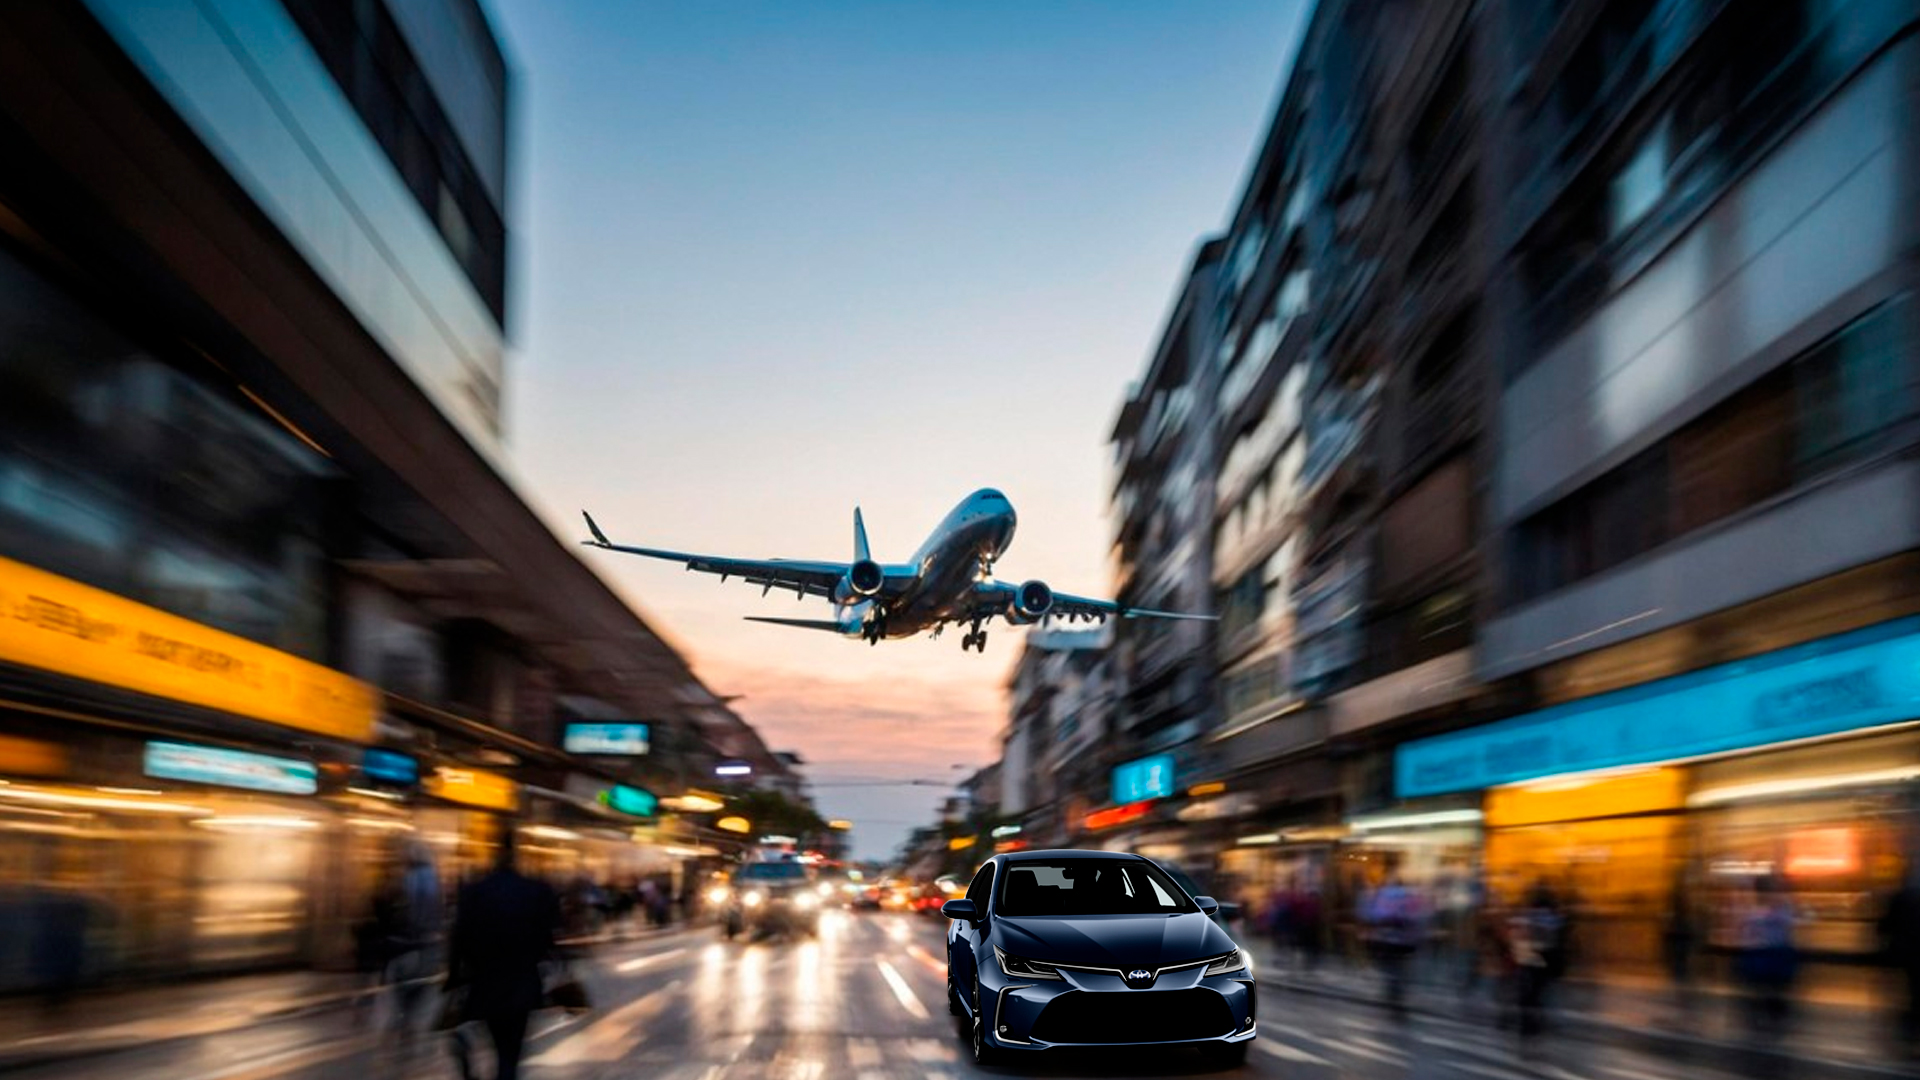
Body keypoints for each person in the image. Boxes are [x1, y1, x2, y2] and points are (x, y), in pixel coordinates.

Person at [447, 831, 562, 1080]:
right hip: (522, 984)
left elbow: (459, 938)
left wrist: (453, 978)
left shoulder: (474, 892)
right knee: (510, 1053)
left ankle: (475, 1070)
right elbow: (548, 938)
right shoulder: (535, 891)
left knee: (495, 1039)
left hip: (485, 983)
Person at [1737, 875, 1798, 1040]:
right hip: (1760, 953)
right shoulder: (1755, 907)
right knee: (1762, 988)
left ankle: (1774, 1018)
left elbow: (1789, 923)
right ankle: (1763, 1018)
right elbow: (1747, 928)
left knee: (1774, 988)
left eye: (1772, 890)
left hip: (1777, 952)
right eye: (1766, 890)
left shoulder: (1783, 906)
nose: (1769, 894)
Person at [1363, 874, 1421, 1017]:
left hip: (1387, 941)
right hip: (1404, 942)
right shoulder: (1408, 896)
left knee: (1391, 971)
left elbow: (1374, 916)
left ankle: (1393, 997)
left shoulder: (1383, 895)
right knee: (1400, 971)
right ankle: (1397, 998)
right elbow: (1415, 918)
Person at [1880, 865, 1920, 1056]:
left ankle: (1908, 1031)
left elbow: (1885, 925)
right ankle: (1910, 1028)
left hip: (1905, 953)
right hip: (1911, 952)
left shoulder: (1899, 896)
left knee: (1910, 993)